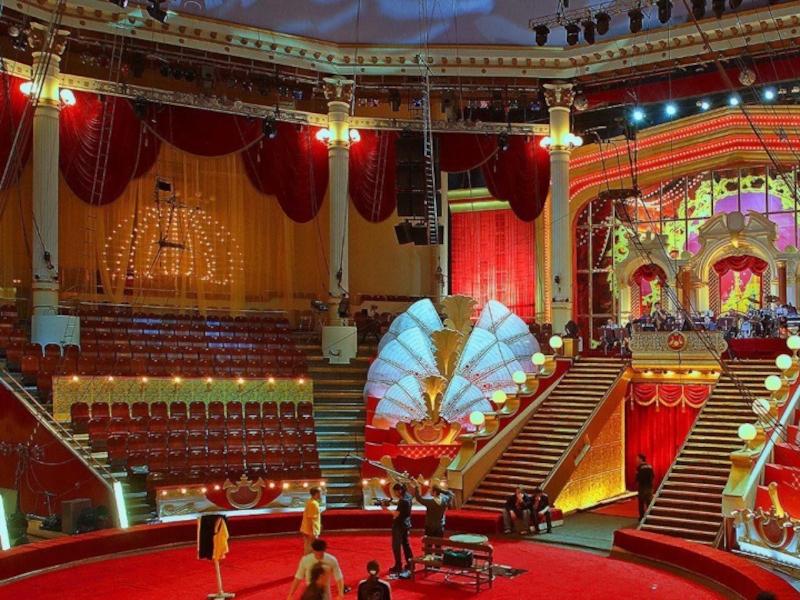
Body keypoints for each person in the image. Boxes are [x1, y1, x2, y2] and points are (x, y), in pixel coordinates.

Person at [382, 482, 413, 575]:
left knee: (396, 546)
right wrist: (391, 501)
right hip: (406, 524)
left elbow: (396, 514)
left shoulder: (403, 501)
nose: (395, 494)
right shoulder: (408, 496)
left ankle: (398, 565)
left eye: (395, 492)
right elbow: (400, 504)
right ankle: (410, 564)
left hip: (399, 525)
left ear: (399, 491)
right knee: (406, 545)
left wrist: (386, 509)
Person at [300, 486, 322, 555]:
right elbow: (312, 519)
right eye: (320, 492)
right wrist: (314, 532)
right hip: (310, 531)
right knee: (310, 550)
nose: (321, 494)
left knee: (309, 548)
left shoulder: (310, 501)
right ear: (316, 493)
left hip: (307, 530)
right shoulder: (313, 504)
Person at [635, 453, 655, 521]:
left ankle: (641, 517)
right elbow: (653, 476)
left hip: (642, 487)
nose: (636, 460)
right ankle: (650, 516)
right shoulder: (650, 467)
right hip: (649, 487)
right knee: (649, 502)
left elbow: (637, 478)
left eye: (637, 458)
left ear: (641, 459)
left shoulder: (639, 468)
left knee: (641, 502)